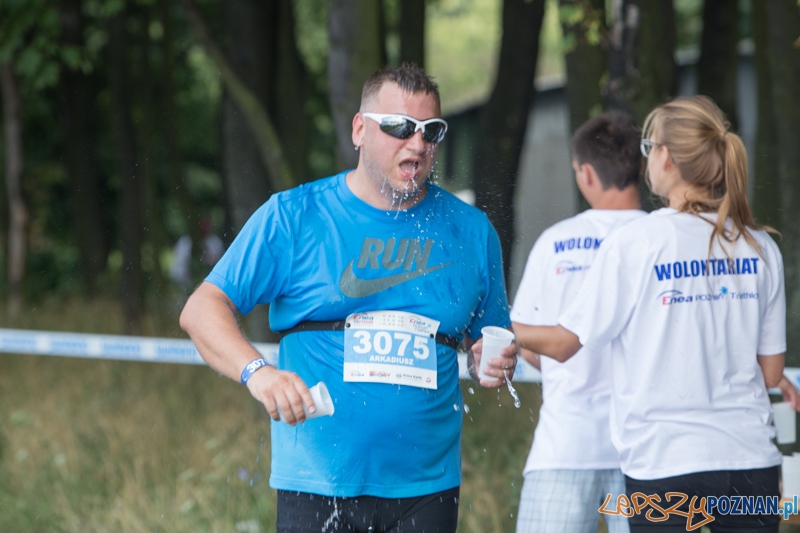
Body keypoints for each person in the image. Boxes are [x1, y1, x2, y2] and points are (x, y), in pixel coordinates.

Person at [179, 63, 516, 533]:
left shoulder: (473, 232)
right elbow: (201, 308)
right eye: (400, 128)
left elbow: (489, 345)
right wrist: (259, 374)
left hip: (427, 488)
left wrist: (491, 361)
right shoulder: (296, 216)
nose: (417, 145)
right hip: (318, 482)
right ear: (360, 129)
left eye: (431, 131)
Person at [514, 95, 794, 532]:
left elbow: (564, 344)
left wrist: (498, 327)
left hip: (666, 468)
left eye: (649, 148)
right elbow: (772, 372)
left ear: (666, 157)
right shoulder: (761, 248)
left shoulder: (637, 243)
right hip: (752, 465)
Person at [511, 111, 644, 533]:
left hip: (565, 446)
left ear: (585, 172)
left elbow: (527, 344)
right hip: (647, 453)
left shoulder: (555, 242)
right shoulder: (664, 240)